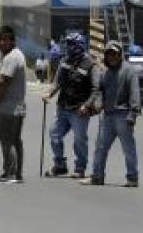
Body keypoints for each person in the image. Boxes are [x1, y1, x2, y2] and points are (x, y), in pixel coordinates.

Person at [81, 41, 140, 188]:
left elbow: (135, 94)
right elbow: (100, 91)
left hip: (123, 116)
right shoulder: (105, 72)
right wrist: (94, 107)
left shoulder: (128, 71)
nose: (112, 56)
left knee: (128, 149)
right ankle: (97, 176)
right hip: (107, 116)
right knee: (100, 147)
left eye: (114, 53)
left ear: (120, 54)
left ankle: (132, 178)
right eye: (109, 54)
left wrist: (133, 115)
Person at [42, 32, 99, 179]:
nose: (68, 47)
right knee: (54, 134)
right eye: (67, 44)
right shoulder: (65, 61)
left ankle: (80, 168)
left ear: (79, 46)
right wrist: (49, 93)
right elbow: (58, 82)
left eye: (71, 44)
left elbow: (96, 89)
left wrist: (87, 106)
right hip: (63, 107)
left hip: (79, 110)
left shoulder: (90, 64)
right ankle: (60, 165)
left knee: (79, 140)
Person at [0, 26, 27, 184]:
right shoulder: (13, 55)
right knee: (15, 139)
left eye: (6, 39)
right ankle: (17, 173)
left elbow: (3, 82)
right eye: (0, 39)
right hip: (18, 106)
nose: (2, 43)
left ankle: (10, 173)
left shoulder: (12, 57)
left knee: (6, 140)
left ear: (13, 40)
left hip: (8, 107)